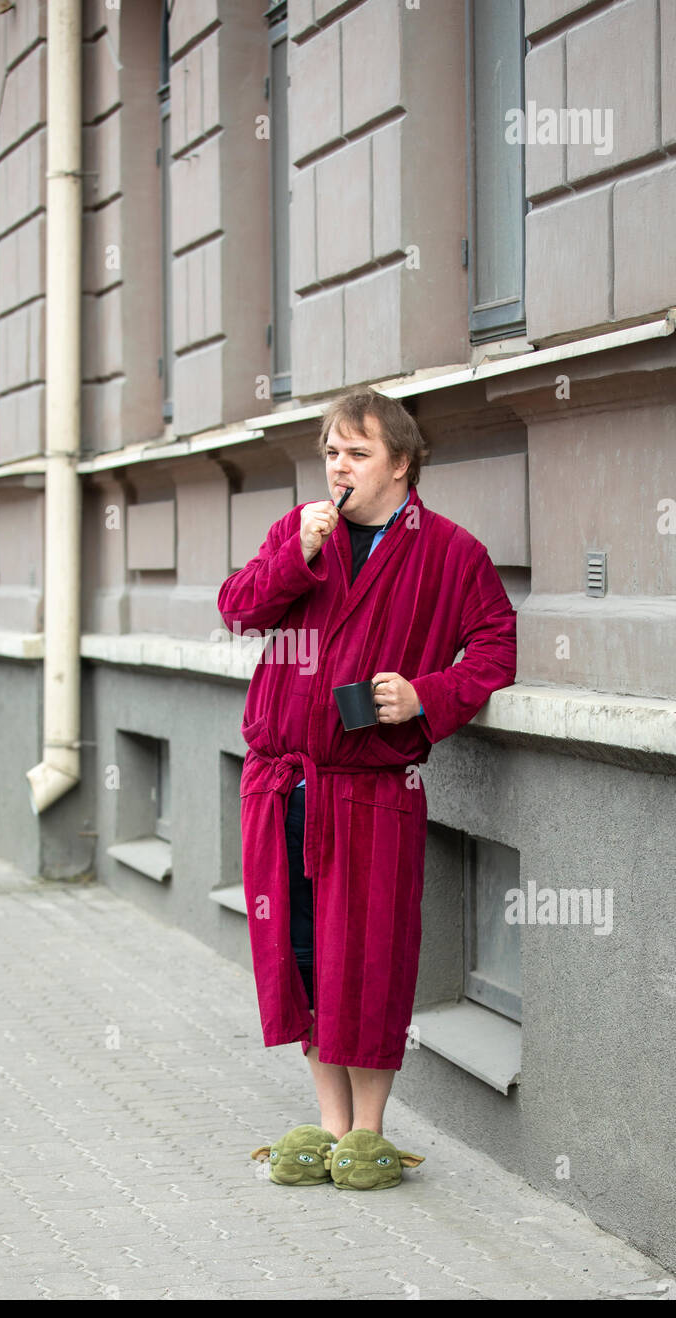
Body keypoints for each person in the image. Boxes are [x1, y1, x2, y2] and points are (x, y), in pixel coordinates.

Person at [217, 387, 518, 1142]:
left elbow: (495, 647)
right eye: (330, 452)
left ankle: (369, 1133)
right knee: (304, 954)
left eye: (357, 452)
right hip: (284, 782)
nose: (338, 467)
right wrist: (297, 556)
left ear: (402, 464)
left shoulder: (451, 553)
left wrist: (426, 694)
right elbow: (237, 610)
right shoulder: (299, 533)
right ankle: (328, 1121)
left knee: (370, 960)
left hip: (374, 790)